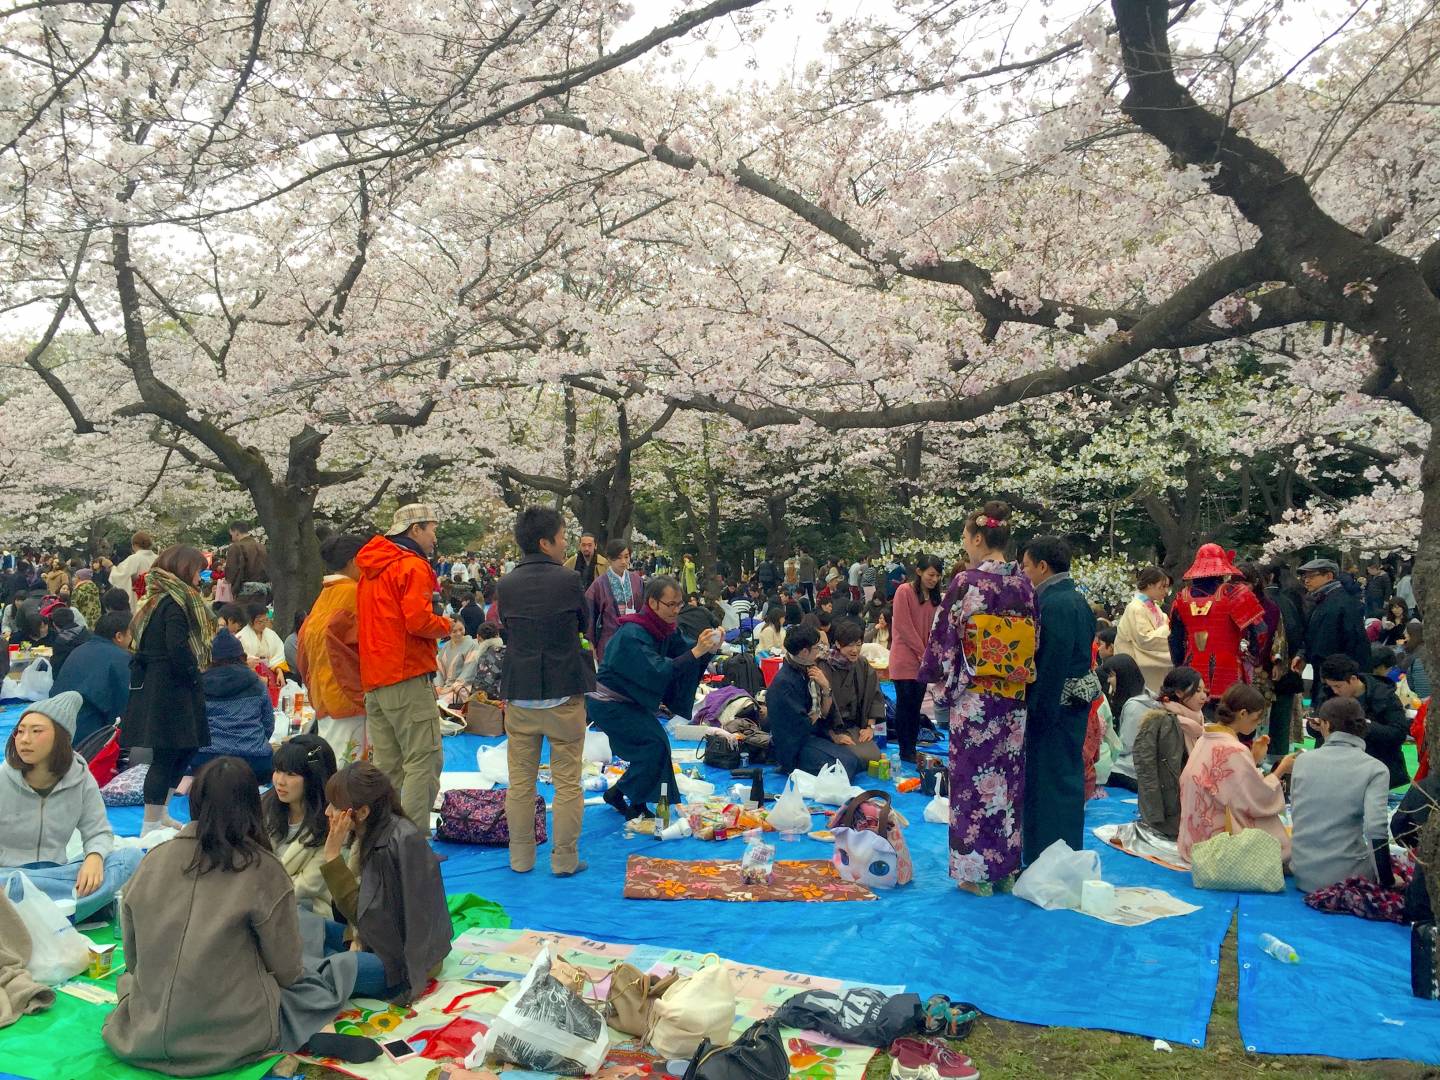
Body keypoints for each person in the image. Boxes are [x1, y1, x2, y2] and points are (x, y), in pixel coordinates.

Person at [103, 757, 364, 1075]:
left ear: (195, 802)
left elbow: (132, 961)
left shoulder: (153, 861)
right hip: (230, 1037)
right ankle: (312, 1031)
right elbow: (286, 970)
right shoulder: (263, 869)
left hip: (142, 1031)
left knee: (131, 981)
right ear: (252, 806)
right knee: (317, 984)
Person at [918, 504, 1037, 893]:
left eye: (967, 539)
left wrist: (943, 687)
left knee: (972, 783)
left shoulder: (966, 584)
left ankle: (974, 875)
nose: (966, 546)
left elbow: (944, 640)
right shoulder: (1024, 586)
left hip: (976, 699)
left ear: (979, 539)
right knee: (1006, 782)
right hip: (1013, 698)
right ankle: (1004, 869)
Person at [497, 506, 595, 876]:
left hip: (520, 693)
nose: (566, 542)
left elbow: (507, 627)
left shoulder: (505, 584)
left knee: (520, 782)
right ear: (545, 541)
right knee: (568, 781)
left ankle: (520, 858)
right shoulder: (569, 580)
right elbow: (585, 624)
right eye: (562, 536)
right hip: (563, 692)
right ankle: (564, 859)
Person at [588, 576, 721, 819]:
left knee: (657, 746)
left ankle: (623, 794)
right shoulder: (632, 632)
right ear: (653, 602)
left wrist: (710, 647)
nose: (676, 610)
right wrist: (696, 652)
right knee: (652, 745)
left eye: (679, 604)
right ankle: (633, 800)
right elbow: (658, 670)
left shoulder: (663, 628)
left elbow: (686, 650)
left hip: (628, 701)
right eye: (671, 604)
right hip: (608, 702)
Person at [0, 692, 141, 921]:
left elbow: (98, 831)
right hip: (9, 876)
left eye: (36, 731)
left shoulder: (80, 778)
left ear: (60, 738)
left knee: (130, 859)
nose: (24, 739)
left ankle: (37, 918)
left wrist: (94, 857)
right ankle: (66, 914)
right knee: (12, 884)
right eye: (21, 731)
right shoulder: (2, 779)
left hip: (58, 874)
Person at [355, 504, 451, 831]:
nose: (434, 536)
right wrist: (446, 624)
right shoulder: (411, 566)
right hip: (406, 674)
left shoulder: (370, 568)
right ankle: (413, 842)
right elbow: (419, 620)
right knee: (423, 761)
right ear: (415, 529)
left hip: (374, 677)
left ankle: (383, 838)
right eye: (431, 529)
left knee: (387, 766)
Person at [320, 762, 450, 1001]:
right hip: (376, 940)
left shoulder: (394, 843)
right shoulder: (367, 834)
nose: (328, 812)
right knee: (308, 928)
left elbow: (367, 917)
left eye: (336, 806)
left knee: (332, 970)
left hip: (402, 962)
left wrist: (332, 858)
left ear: (362, 812)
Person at [125, 544, 217, 835]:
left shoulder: (161, 599)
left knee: (183, 749)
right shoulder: (173, 602)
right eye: (197, 570)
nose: (200, 577)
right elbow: (176, 646)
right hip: (170, 687)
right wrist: (193, 672)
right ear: (183, 568)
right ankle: (150, 822)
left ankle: (160, 813)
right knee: (166, 753)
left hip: (166, 684)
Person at [1020, 535, 1096, 863]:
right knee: (1065, 777)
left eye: (1026, 567)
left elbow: (1051, 664)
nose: (1024, 574)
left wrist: (1038, 711)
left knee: (1049, 782)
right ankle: (1063, 854)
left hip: (1056, 704)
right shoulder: (1076, 599)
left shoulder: (1053, 603)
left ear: (1042, 566)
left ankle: (1047, 858)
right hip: (1073, 701)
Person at [1177, 683, 1294, 866]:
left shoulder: (1206, 737)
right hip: (1215, 844)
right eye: (1256, 719)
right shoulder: (1234, 749)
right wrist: (1280, 770)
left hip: (1192, 840)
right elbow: (1256, 799)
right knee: (1279, 837)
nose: (1257, 724)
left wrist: (1253, 759)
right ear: (1242, 714)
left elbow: (1229, 784)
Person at [1289, 697, 1393, 894]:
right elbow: (1375, 829)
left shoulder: (1303, 761)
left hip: (1303, 873)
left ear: (1326, 724)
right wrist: (1387, 879)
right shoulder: (1375, 769)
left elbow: (1298, 813)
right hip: (1348, 879)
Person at [296, 534, 367, 765]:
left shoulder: (324, 596)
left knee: (335, 763)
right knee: (353, 770)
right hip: (351, 695)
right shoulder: (355, 595)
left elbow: (302, 652)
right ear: (355, 560)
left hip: (324, 693)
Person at [1167, 544, 1264, 701]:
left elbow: (1175, 640)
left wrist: (1179, 667)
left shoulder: (1181, 599)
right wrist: (1255, 658)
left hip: (1191, 670)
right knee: (1228, 718)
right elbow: (1260, 632)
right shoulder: (1235, 594)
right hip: (1229, 670)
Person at [768, 624, 862, 779]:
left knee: (856, 761)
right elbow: (799, 724)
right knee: (845, 767)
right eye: (817, 647)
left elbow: (821, 714)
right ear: (805, 652)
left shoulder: (808, 669)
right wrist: (819, 722)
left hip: (813, 735)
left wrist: (825, 687)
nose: (820, 650)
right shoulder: (784, 683)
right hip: (794, 746)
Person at [262, 734, 339, 918]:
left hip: (305, 911)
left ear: (313, 778)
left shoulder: (331, 824)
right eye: (278, 771)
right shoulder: (266, 808)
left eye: (291, 774)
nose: (280, 781)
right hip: (261, 900)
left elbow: (306, 886)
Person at [1128, 667, 1208, 841]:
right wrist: (1154, 815)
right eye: (1197, 691)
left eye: (1204, 690)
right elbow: (1146, 769)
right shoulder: (1160, 720)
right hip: (1169, 809)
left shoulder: (1199, 721)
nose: (1204, 696)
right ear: (1179, 692)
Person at [192, 629, 275, 784]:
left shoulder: (197, 686)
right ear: (243, 658)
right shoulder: (257, 684)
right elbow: (268, 725)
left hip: (205, 762)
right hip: (255, 762)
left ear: (210, 659)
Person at [1318, 653, 1411, 789]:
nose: (1335, 690)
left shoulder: (1384, 695)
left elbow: (1399, 733)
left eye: (1338, 686)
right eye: (1331, 686)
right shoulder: (1328, 692)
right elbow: (1317, 723)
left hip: (1377, 766)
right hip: (1336, 768)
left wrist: (1365, 725)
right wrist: (1315, 726)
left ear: (1353, 679)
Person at [890, 554, 944, 763]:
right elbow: (904, 627)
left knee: (916, 706)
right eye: (931, 574)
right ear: (919, 572)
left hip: (924, 659)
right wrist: (924, 654)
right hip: (905, 657)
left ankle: (911, 747)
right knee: (905, 704)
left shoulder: (934, 598)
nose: (934, 579)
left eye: (938, 575)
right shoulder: (904, 591)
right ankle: (906, 750)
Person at [1293, 557, 1369, 707]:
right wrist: (1302, 653)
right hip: (1324, 673)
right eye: (1304, 577)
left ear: (1329, 576)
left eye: (1311, 576)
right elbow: (1311, 633)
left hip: (1338, 677)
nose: (1306, 581)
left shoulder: (1343, 602)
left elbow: (1356, 642)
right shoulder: (1321, 600)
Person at [53, 610, 133, 744]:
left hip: (58, 728)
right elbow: (124, 706)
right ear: (119, 636)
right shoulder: (121, 659)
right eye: (132, 634)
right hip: (90, 738)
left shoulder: (79, 650)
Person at [815, 618, 885, 770]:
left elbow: (874, 694)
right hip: (829, 728)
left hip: (854, 725)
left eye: (858, 644)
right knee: (853, 760)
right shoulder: (824, 665)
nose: (855, 650)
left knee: (874, 757)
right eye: (850, 645)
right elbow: (818, 706)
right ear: (838, 644)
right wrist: (833, 735)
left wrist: (869, 727)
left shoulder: (862, 664)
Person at [585, 540, 644, 666]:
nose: (623, 561)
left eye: (626, 557)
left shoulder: (637, 580)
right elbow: (590, 614)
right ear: (610, 559)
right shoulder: (599, 584)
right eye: (618, 558)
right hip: (609, 639)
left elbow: (643, 609)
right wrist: (591, 644)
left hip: (634, 638)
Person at [1114, 566, 1173, 691]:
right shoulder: (1135, 608)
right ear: (1150, 585)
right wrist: (1168, 628)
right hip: (1137, 661)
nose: (1166, 591)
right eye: (1162, 586)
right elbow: (1145, 639)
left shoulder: (1152, 606)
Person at [434, 616, 482, 709]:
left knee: (441, 704)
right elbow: (438, 669)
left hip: (462, 688)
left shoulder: (472, 645)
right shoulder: (446, 646)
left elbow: (469, 671)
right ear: (448, 632)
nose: (459, 633)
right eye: (454, 631)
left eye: (461, 629)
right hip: (445, 687)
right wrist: (439, 686)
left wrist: (452, 687)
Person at [45, 604, 91, 678]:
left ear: (54, 624)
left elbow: (56, 668)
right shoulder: (88, 633)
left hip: (70, 679)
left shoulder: (62, 641)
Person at [225, 520, 269, 597]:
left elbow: (231, 571)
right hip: (263, 591)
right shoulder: (262, 547)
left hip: (244, 592)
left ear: (236, 532)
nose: (232, 537)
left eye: (231, 534)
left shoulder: (236, 547)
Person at [238, 601, 287, 670]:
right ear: (250, 621)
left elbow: (279, 653)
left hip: (271, 670)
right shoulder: (241, 637)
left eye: (266, 620)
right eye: (260, 621)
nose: (263, 624)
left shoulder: (271, 634)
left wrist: (278, 669)